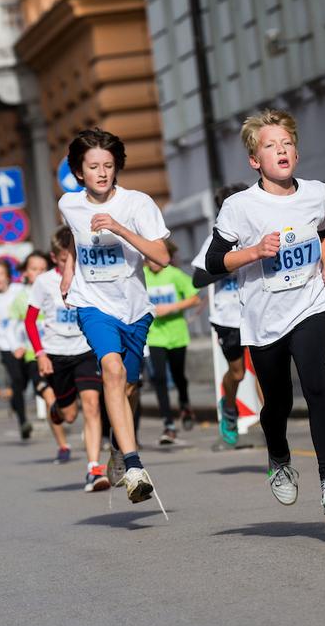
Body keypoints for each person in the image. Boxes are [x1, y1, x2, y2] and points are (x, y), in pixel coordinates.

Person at [204, 109, 325, 515]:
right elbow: (215, 261)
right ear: (255, 161)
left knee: (317, 384)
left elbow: (323, 230)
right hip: (263, 318)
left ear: (297, 152)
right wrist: (255, 251)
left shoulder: (316, 193)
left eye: (287, 143)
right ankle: (279, 459)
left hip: (310, 303)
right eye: (270, 146)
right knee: (277, 402)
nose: (281, 150)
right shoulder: (240, 207)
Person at [58, 127, 171, 505]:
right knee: (112, 369)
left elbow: (162, 256)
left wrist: (119, 228)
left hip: (134, 309)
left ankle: (119, 446)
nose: (102, 173)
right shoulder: (69, 205)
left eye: (108, 165)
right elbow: (74, 237)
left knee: (128, 389)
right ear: (79, 172)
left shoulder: (137, 203)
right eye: (93, 167)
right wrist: (68, 270)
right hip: (93, 306)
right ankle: (136, 465)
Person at [26, 226, 110, 492]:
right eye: (64, 260)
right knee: (70, 415)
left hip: (85, 350)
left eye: (72, 258)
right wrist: (40, 354)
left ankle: (94, 469)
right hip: (56, 354)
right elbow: (30, 321)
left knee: (92, 405)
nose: (68, 264)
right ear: (54, 258)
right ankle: (57, 409)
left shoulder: (88, 275)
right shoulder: (43, 283)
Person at [192, 182, 251, 450]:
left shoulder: (258, 231)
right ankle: (228, 409)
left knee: (265, 370)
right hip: (229, 317)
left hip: (258, 310)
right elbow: (198, 278)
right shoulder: (217, 239)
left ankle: (271, 424)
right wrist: (228, 264)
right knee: (237, 374)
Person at [11, 251, 72, 463]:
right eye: (33, 269)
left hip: (60, 351)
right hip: (33, 355)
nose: (38, 273)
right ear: (25, 273)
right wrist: (17, 345)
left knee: (65, 403)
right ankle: (63, 445)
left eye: (41, 268)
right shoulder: (20, 298)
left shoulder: (58, 288)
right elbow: (13, 326)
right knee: (49, 396)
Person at [144, 240, 202, 444]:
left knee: (178, 375)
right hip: (154, 336)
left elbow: (195, 298)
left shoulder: (175, 275)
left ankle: (185, 404)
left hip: (177, 335)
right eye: (149, 258)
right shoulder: (142, 275)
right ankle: (168, 424)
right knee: (158, 377)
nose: (153, 263)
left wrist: (172, 307)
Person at [0, 259, 33, 440]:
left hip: (24, 341)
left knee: (25, 379)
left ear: (8, 275)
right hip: (5, 344)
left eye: (0, 274)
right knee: (17, 378)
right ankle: (23, 422)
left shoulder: (19, 290)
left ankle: (14, 401)